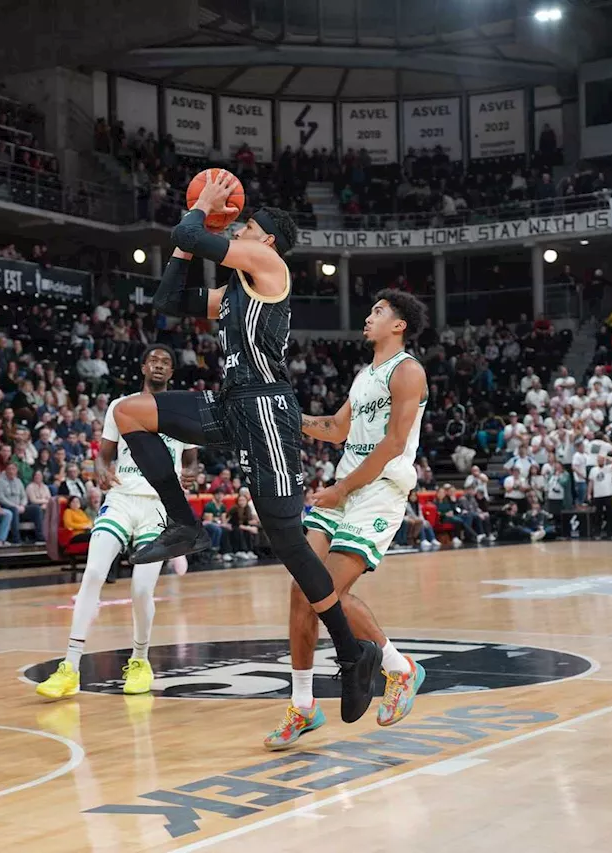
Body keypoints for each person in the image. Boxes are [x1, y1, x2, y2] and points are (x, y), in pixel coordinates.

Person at [108, 171, 382, 722]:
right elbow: (168, 299)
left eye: (247, 225)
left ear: (268, 241)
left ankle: (355, 655)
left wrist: (203, 209)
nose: (238, 228)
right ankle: (183, 523)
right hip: (231, 403)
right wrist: (190, 243)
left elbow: (196, 237)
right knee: (129, 411)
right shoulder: (234, 289)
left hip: (266, 409)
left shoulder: (269, 268)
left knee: (289, 543)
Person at [270, 291, 430, 749]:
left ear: (398, 325)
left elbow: (396, 442)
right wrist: (290, 418)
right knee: (302, 592)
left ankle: (401, 668)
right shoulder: (366, 376)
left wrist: (343, 487)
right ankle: (303, 706)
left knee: (329, 592)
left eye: (378, 311)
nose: (368, 316)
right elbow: (338, 429)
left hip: (378, 490)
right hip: (344, 488)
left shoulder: (408, 371)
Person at [36, 345, 198, 701]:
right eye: (153, 360)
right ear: (143, 367)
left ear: (171, 372)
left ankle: (140, 660)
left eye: (165, 362)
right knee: (92, 574)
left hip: (159, 505)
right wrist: (101, 472)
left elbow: (191, 459)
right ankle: (70, 667)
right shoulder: (120, 406)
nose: (158, 365)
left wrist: (190, 473)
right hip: (122, 500)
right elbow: (103, 455)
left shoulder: (180, 411)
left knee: (141, 589)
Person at [587, 453, 612, 539]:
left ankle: (610, 533)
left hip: (608, 494)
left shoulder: (608, 468)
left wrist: (606, 457)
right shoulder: (593, 470)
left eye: (602, 459)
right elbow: (591, 482)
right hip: (597, 495)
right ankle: (597, 533)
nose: (600, 461)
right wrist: (589, 493)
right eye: (599, 459)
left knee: (610, 515)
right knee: (598, 515)